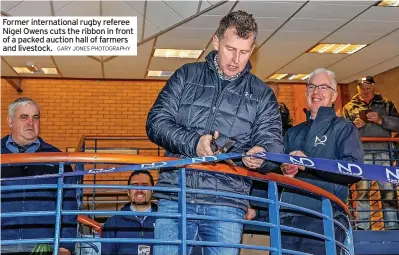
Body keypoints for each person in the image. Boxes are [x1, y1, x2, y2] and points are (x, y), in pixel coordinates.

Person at [146, 10, 283, 255]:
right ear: (216, 41)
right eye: (231, 49)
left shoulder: (262, 94)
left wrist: (261, 156)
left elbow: (273, 145)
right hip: (176, 195)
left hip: (228, 201)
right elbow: (156, 122)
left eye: (244, 52)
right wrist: (193, 142)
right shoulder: (186, 75)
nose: (236, 60)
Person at [279, 68, 364, 254]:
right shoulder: (292, 133)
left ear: (334, 96)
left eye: (323, 87)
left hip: (326, 218)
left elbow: (354, 170)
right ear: (306, 92)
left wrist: (309, 164)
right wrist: (284, 170)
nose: (316, 92)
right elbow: (276, 172)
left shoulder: (344, 129)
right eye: (312, 86)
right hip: (287, 219)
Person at [1, 97, 77, 255]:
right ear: (10, 121)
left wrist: (65, 248)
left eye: (35, 117)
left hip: (42, 247)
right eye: (24, 117)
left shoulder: (57, 158)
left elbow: (68, 206)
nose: (31, 122)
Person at [343, 76, 399, 230]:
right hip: (362, 155)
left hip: (384, 152)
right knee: (362, 192)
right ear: (358, 89)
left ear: (374, 87)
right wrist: (353, 126)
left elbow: (398, 125)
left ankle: (393, 227)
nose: (366, 91)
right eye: (362, 88)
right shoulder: (349, 107)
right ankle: (363, 227)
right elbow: (341, 132)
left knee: (389, 192)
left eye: (368, 88)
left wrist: (380, 119)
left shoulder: (386, 104)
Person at [102, 170, 157, 255]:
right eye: (135, 186)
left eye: (145, 185)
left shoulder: (164, 220)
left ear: (152, 190)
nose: (139, 190)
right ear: (128, 192)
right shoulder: (113, 222)